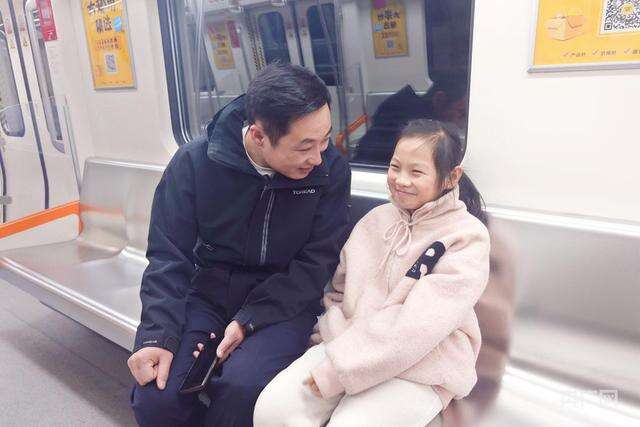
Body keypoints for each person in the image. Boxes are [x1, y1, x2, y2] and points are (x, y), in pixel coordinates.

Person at [127, 63, 351, 427]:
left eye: (325, 139)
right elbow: (168, 255)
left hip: (283, 302)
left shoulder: (330, 172)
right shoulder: (195, 163)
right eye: (305, 146)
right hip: (209, 295)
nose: (318, 157)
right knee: (156, 397)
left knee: (243, 389)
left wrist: (249, 320)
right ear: (259, 136)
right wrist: (156, 335)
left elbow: (317, 261)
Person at [252, 119, 490, 426]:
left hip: (423, 363)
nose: (400, 180)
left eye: (416, 172)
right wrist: (329, 340)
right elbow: (337, 292)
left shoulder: (466, 237)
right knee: (272, 411)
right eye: (395, 167)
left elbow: (419, 326)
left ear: (451, 177)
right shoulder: (375, 220)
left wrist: (342, 369)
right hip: (348, 343)